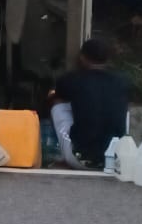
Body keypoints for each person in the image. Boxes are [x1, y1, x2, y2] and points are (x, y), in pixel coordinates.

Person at [51, 37, 129, 170]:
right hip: (115, 160)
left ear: (82, 57)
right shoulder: (122, 81)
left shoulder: (71, 79)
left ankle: (62, 153)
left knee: (57, 103)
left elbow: (58, 95)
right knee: (123, 109)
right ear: (108, 59)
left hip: (80, 159)